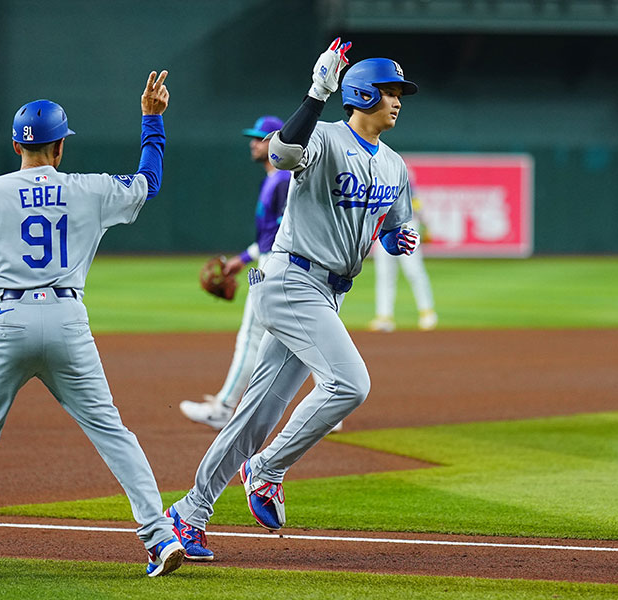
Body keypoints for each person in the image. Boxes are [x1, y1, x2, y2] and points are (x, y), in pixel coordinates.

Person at [164, 39, 420, 561]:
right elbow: (281, 155)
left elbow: (393, 230)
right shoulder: (324, 137)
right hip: (289, 279)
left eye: (400, 92)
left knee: (255, 416)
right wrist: (316, 92)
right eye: (391, 91)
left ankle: (188, 513)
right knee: (350, 383)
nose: (398, 100)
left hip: (328, 292)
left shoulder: (395, 165)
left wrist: (399, 240)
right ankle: (267, 469)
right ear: (363, 92)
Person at [0, 71, 185, 579]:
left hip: (5, 319)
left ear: (15, 145)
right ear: (60, 148)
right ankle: (159, 537)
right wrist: (152, 119)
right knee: (112, 431)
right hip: (68, 318)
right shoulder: (87, 189)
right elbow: (149, 183)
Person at [179, 115, 290, 430]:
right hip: (273, 261)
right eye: (253, 138)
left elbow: (284, 231)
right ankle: (331, 406)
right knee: (299, 338)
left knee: (252, 336)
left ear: (276, 142)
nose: (254, 144)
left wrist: (253, 258)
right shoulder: (274, 178)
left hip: (276, 265)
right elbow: (269, 233)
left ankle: (224, 407)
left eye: (260, 138)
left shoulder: (282, 179)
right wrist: (242, 258)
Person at [368, 203, 437, 332]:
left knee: (414, 271)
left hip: (406, 224)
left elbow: (414, 199)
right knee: (384, 274)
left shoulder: (404, 182)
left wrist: (424, 222)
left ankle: (427, 312)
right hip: (383, 225)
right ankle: (384, 316)